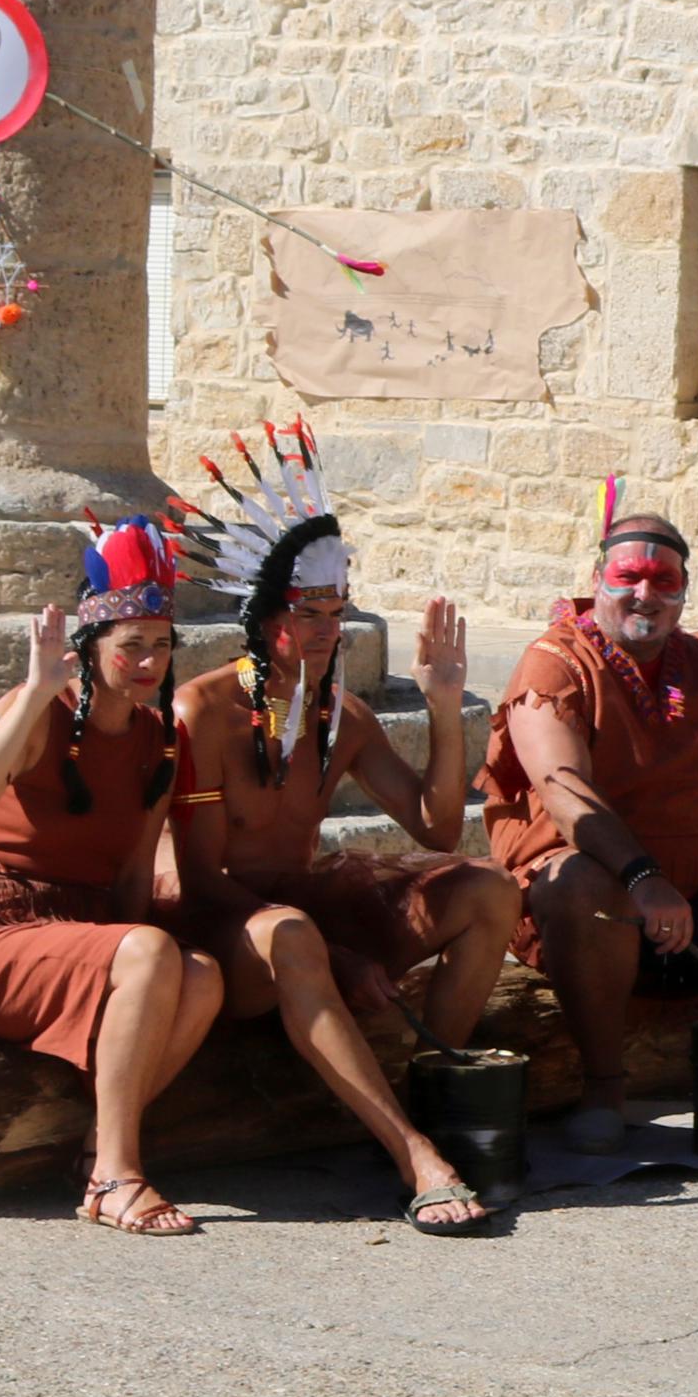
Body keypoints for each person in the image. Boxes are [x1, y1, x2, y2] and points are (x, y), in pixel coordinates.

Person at [163, 424, 519, 1237]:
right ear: (263, 617)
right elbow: (202, 874)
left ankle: (433, 1096)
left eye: (335, 610)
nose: (325, 630)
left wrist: (441, 701)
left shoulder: (343, 716)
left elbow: (435, 824)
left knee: (489, 889)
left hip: (302, 910)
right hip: (223, 922)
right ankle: (413, 1152)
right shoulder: (205, 711)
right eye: (304, 612)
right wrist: (342, 952)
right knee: (292, 931)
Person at [0, 520, 227, 1236]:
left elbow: (130, 878)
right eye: (131, 645)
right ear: (94, 646)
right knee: (148, 952)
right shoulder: (36, 712)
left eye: (160, 644)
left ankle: (96, 1143)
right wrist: (34, 690)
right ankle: (115, 1177)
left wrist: (167, 965)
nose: (148, 661)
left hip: (81, 931)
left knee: (201, 973)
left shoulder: (158, 741)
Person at [478, 504, 698, 1152]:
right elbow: (563, 793)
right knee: (579, 881)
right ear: (598, 578)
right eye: (629, 576)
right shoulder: (554, 661)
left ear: (682, 592)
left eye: (663, 580)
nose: (645, 593)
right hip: (595, 899)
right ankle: (603, 1087)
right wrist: (643, 877)